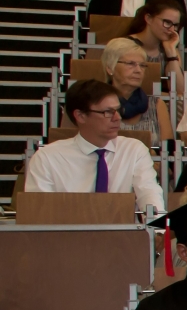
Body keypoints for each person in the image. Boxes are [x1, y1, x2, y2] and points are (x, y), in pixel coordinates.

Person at [23, 80, 166, 217]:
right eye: (108, 112)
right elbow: (39, 213)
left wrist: (157, 228)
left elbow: (149, 194)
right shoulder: (47, 158)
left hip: (122, 232)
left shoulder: (134, 150)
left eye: (118, 110)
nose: (117, 118)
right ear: (80, 116)